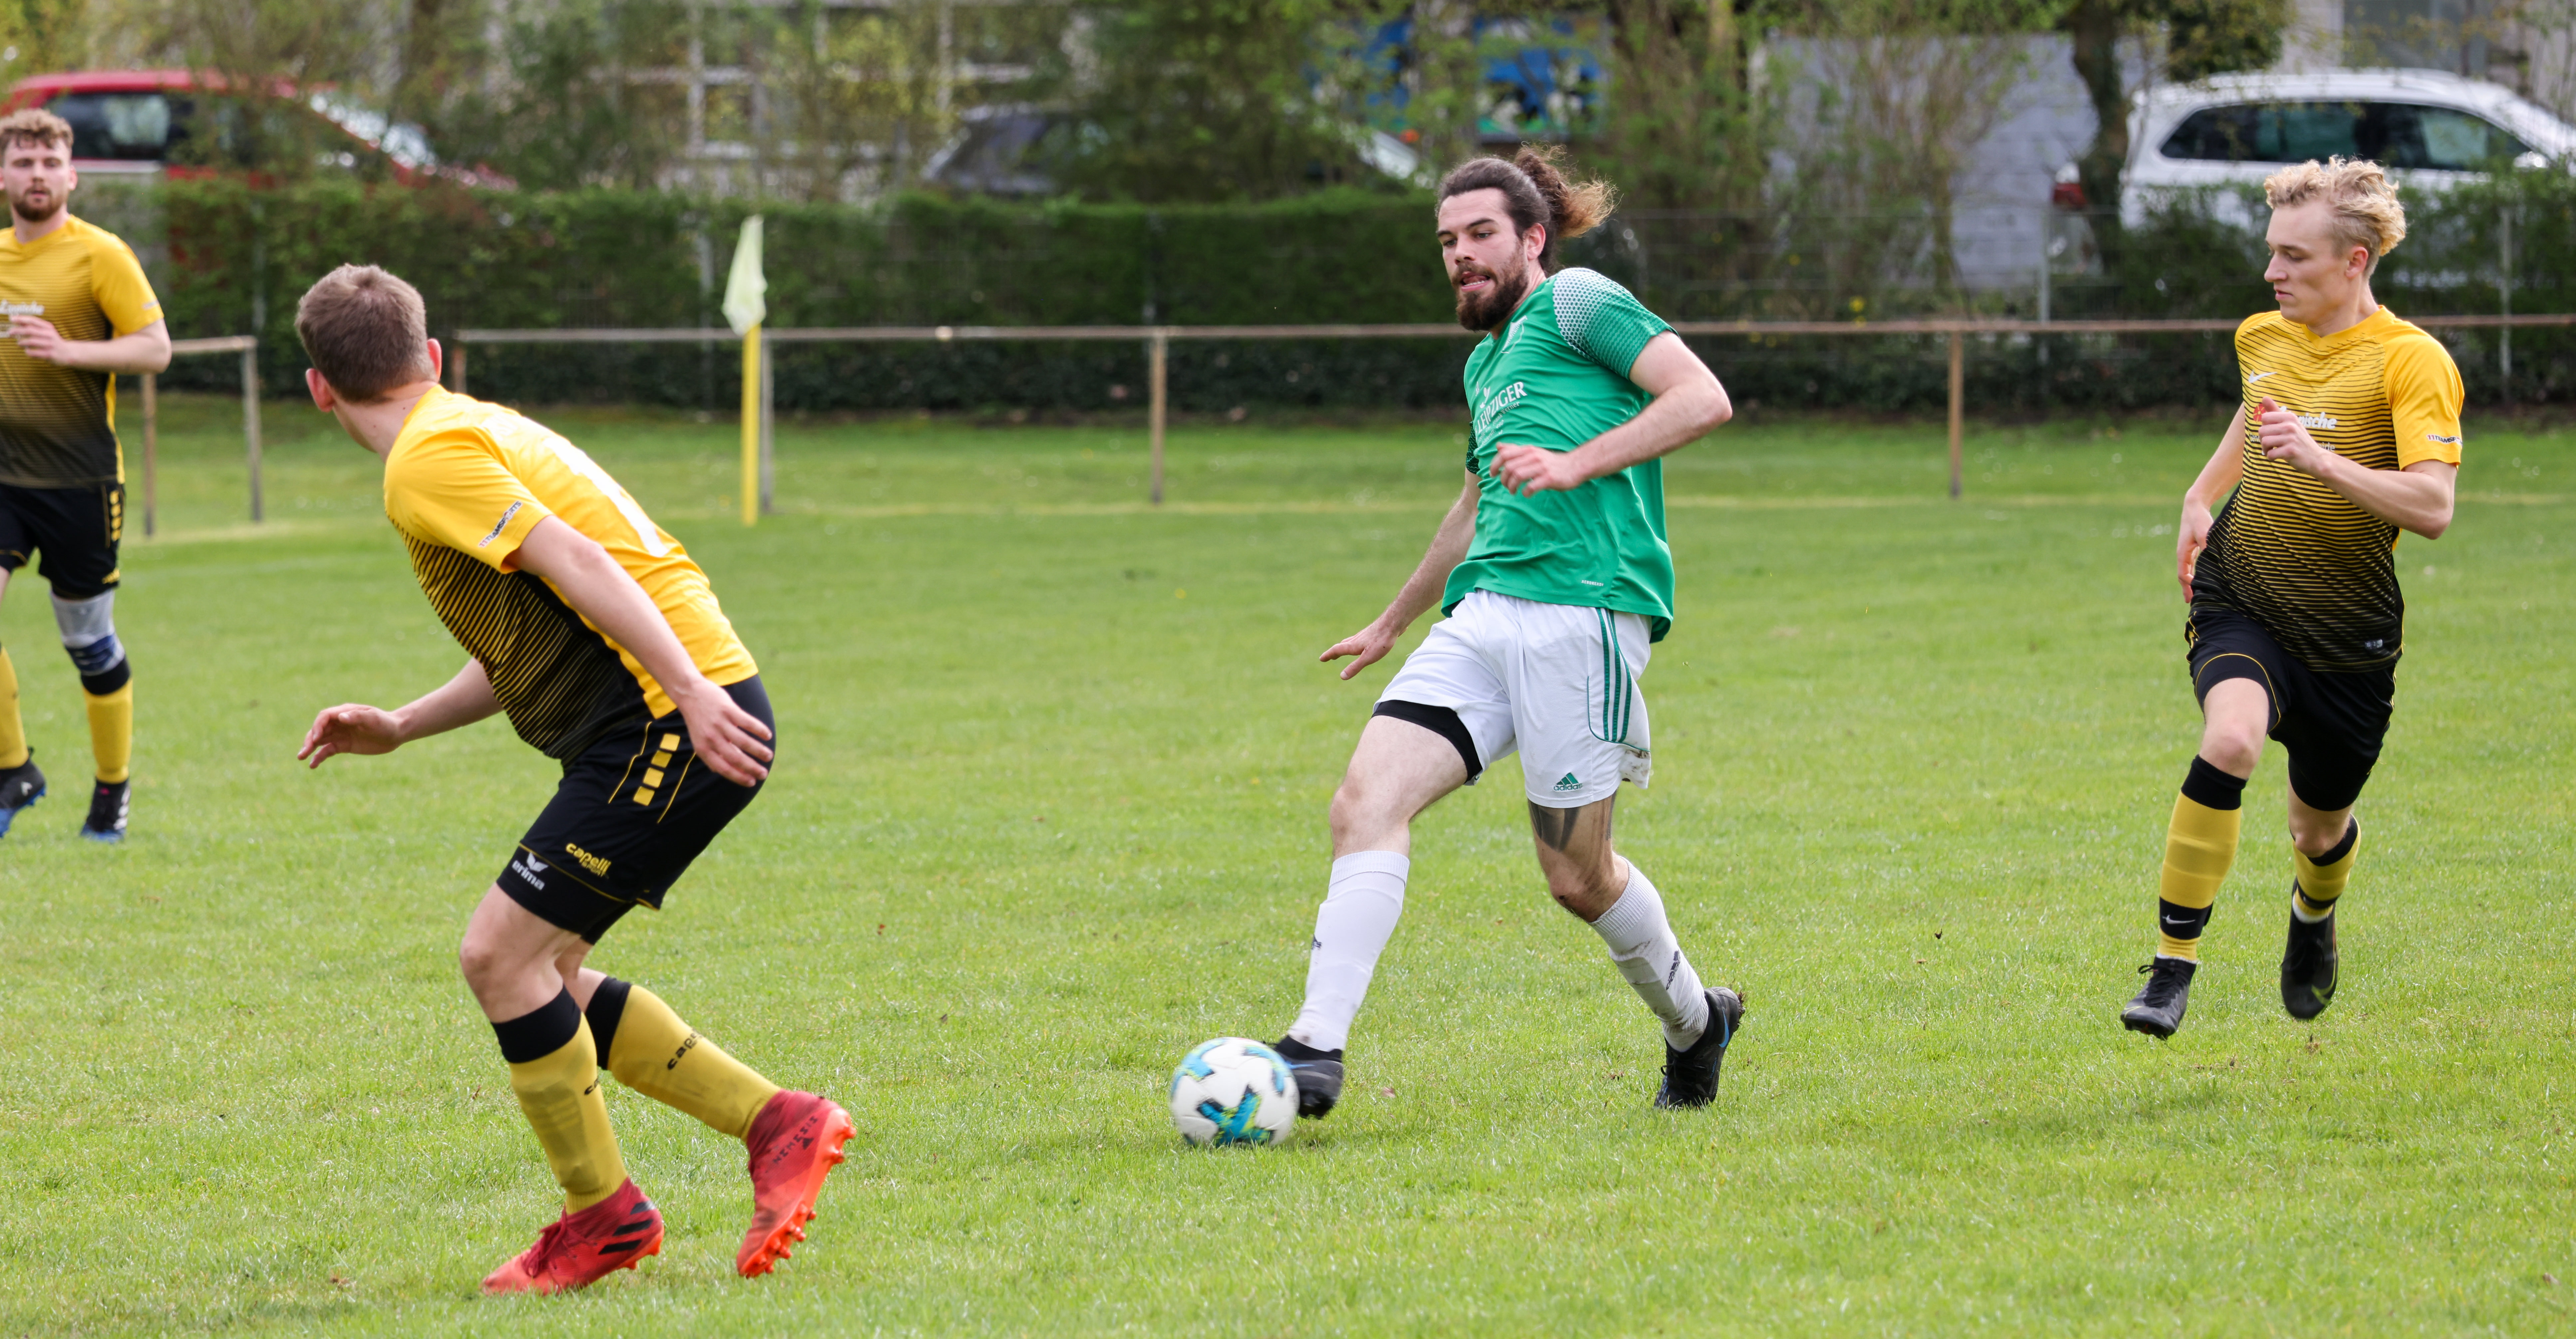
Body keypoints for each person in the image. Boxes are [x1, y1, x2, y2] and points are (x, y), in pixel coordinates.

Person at [290, 264, 852, 1292]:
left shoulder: (426, 461)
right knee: (541, 970)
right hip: (672, 707)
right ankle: (779, 1122)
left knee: (498, 956)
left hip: (667, 718)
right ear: (432, 356)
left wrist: (687, 692)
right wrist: (404, 724)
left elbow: (584, 567)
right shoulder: (474, 427)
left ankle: (606, 1216)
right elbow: (532, 635)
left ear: (318, 388)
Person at [1270, 147, 1742, 1116]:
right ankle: (1314, 1047)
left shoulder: (1580, 304)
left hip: (1585, 613)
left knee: (1577, 878)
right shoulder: (1484, 362)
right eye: (1447, 241)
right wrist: (1393, 620)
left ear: (1533, 238)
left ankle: (1697, 1023)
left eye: (1480, 234)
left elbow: (1703, 398)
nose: (1461, 255)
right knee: (1364, 803)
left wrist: (1577, 464)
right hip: (1481, 619)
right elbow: (1474, 504)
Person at [2121, 157, 2461, 1038]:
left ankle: (2314, 912)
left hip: (2349, 637)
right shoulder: (2262, 338)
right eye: (2272, 251)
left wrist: (2320, 461)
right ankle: (2171, 966)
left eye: (2294, 257)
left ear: (2355, 261)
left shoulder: (2412, 362)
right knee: (2231, 737)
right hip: (2243, 595)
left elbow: (2433, 507)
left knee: (2317, 831)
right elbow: (2257, 411)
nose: (2273, 272)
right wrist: (2200, 495)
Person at [0, 107, 172, 842]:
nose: (36, 175)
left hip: (81, 482)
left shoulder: (100, 255)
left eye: (49, 163)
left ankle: (112, 789)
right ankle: (14, 769)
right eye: (23, 162)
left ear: (71, 176)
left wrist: (70, 352)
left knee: (88, 644)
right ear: (3, 175)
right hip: (4, 479)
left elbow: (156, 349)